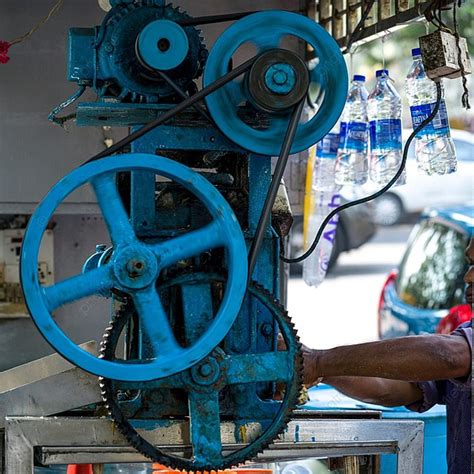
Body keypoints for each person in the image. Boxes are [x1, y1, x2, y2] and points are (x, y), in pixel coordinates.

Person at [303, 239, 473, 474]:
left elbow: (450, 357)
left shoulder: (459, 350)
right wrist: (319, 371)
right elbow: (393, 387)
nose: (468, 277)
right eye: (470, 264)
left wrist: (318, 361)